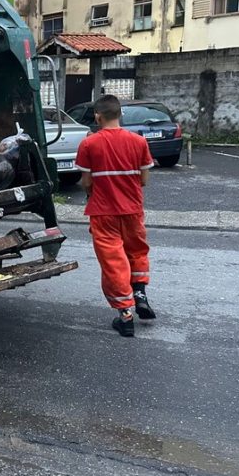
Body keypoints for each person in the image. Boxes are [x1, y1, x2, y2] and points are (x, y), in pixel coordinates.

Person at [75, 95, 157, 337]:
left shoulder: (89, 144)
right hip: (132, 210)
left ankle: (125, 315)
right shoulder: (138, 142)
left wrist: (94, 189)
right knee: (137, 251)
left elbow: (86, 181)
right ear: (120, 114)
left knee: (113, 262)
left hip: (103, 212)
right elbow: (143, 179)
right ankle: (140, 293)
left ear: (98, 117)